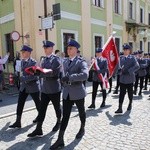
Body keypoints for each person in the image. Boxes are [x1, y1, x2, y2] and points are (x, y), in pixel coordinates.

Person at [50, 39, 88, 149]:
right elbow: (60, 72)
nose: (68, 50)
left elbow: (85, 75)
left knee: (81, 112)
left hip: (78, 92)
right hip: (66, 93)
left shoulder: (81, 61)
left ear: (76, 50)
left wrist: (70, 77)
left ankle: (82, 127)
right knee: (65, 116)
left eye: (71, 48)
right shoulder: (65, 61)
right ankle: (60, 139)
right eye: (67, 48)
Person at [27, 40, 62, 137]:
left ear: (51, 48)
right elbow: (41, 71)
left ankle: (59, 121)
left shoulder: (56, 59)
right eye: (44, 48)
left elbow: (54, 73)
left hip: (54, 88)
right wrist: (35, 72)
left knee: (57, 108)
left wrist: (41, 72)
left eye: (47, 47)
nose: (45, 49)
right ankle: (39, 129)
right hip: (45, 89)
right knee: (42, 109)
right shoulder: (43, 59)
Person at [9, 45, 41, 128]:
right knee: (20, 103)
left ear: (29, 53)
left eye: (24, 52)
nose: (22, 53)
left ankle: (40, 118)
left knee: (38, 104)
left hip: (33, 87)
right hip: (24, 87)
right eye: (22, 52)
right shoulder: (22, 61)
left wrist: (22, 78)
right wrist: (17, 77)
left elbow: (35, 76)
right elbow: (21, 72)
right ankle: (18, 121)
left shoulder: (34, 62)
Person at [115, 44, 139, 114]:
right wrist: (118, 71)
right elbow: (117, 67)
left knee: (130, 93)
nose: (125, 51)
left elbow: (137, 66)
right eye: (124, 50)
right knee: (121, 94)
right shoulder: (121, 58)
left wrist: (129, 70)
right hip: (122, 79)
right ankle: (120, 108)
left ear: (129, 51)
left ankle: (130, 103)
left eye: (127, 50)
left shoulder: (132, 58)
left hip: (130, 79)